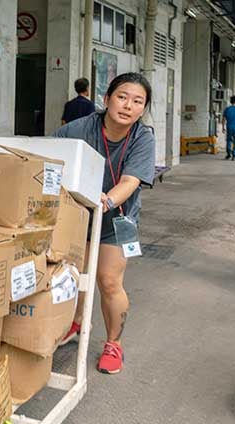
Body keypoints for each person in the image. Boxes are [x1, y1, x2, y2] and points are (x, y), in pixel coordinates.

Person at [52, 73, 156, 374]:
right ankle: (77, 323)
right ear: (107, 98)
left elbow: (131, 180)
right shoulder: (80, 128)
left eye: (138, 101)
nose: (128, 106)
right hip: (78, 212)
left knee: (109, 280)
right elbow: (52, 154)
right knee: (76, 275)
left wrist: (106, 201)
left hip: (116, 216)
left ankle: (114, 343)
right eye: (122, 97)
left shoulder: (142, 137)